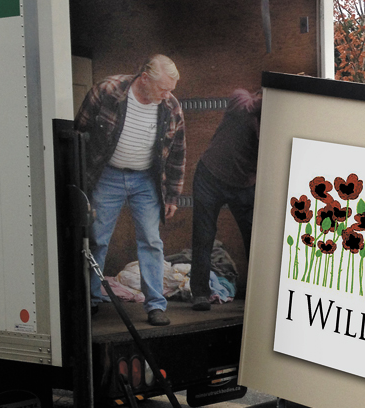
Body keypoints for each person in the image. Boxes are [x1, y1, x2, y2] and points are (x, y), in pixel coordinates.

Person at [75, 54, 186, 327]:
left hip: (146, 179)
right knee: (97, 238)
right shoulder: (107, 91)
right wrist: (79, 183)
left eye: (171, 89)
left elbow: (178, 152)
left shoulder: (170, 106)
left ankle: (156, 305)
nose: (168, 94)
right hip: (107, 175)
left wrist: (172, 194)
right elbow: (79, 133)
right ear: (144, 78)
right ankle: (89, 299)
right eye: (164, 88)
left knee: (150, 240)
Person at [190, 89, 262, 311]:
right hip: (210, 177)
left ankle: (258, 296)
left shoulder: (275, 124)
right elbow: (249, 106)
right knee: (204, 236)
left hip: (243, 186)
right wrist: (279, 93)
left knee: (254, 239)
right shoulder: (241, 99)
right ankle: (200, 294)